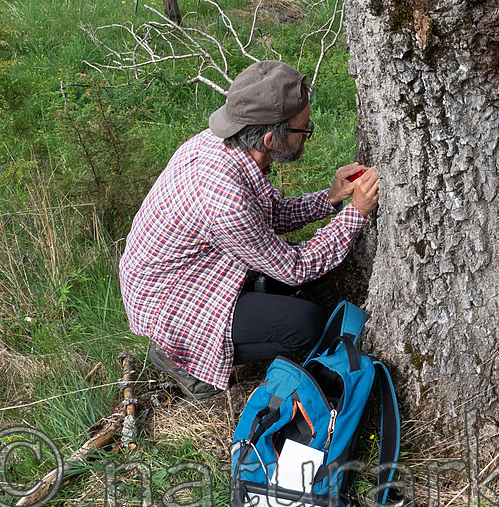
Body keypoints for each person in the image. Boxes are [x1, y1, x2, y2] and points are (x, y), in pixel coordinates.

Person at [119, 60, 378, 400]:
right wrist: (356, 213)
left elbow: (267, 214)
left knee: (313, 280)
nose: (309, 133)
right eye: (305, 129)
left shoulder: (225, 144)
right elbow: (296, 268)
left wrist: (330, 198)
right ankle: (178, 358)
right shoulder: (225, 200)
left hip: (195, 270)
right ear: (272, 139)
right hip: (172, 301)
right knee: (306, 324)